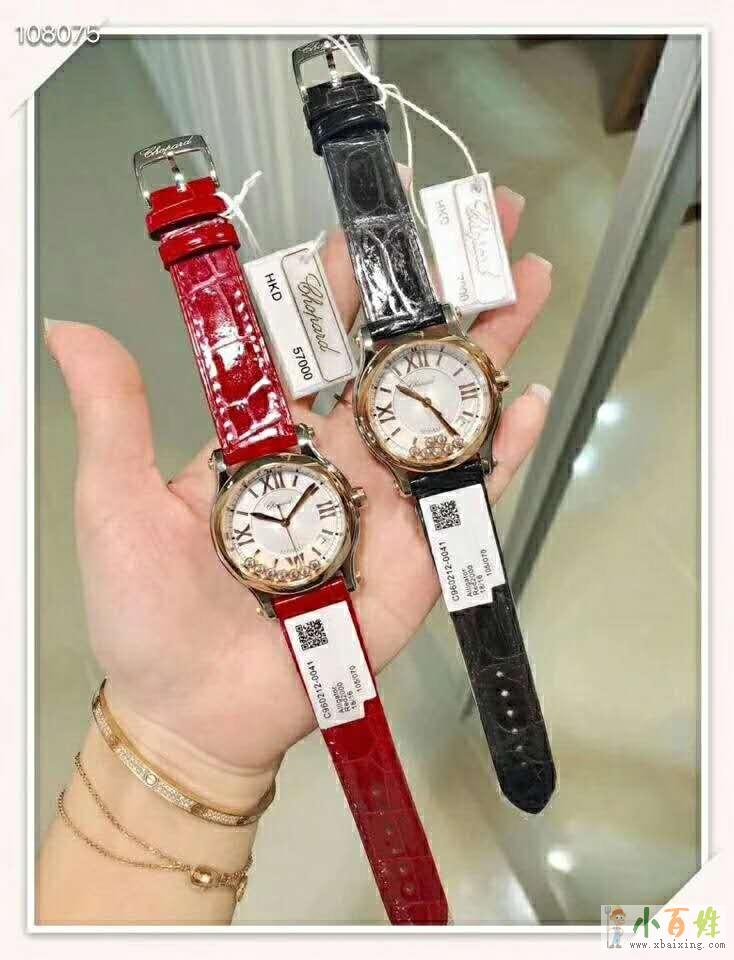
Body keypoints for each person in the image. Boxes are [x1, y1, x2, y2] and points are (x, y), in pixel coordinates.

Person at [37, 185, 552, 925]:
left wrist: (175, 748)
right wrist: (178, 738)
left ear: (346, 498)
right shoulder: (289, 520)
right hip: (305, 580)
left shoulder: (337, 476)